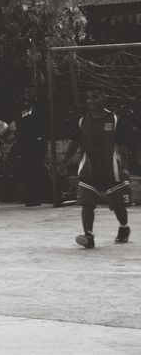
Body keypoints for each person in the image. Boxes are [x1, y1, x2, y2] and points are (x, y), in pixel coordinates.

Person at [62, 87, 130, 248]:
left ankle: (124, 227)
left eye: (95, 97)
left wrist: (125, 167)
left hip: (110, 168)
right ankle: (88, 235)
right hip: (89, 168)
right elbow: (75, 142)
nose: (90, 101)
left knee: (117, 205)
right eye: (88, 98)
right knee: (87, 203)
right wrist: (64, 162)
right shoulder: (82, 120)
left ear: (104, 98)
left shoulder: (114, 120)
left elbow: (123, 145)